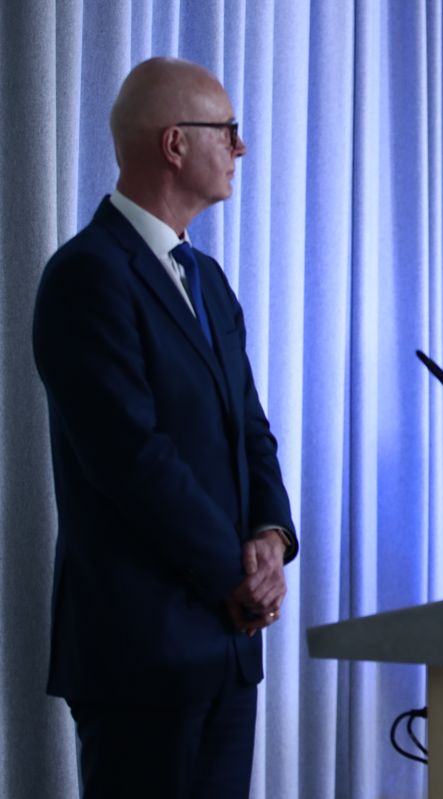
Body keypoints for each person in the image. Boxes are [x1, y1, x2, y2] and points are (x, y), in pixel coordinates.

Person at [31, 57, 298, 798]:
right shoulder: (87, 276)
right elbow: (131, 459)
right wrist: (234, 574)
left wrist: (273, 537)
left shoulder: (207, 280)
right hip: (141, 651)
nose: (240, 148)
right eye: (229, 131)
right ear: (176, 144)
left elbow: (251, 427)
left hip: (227, 645)